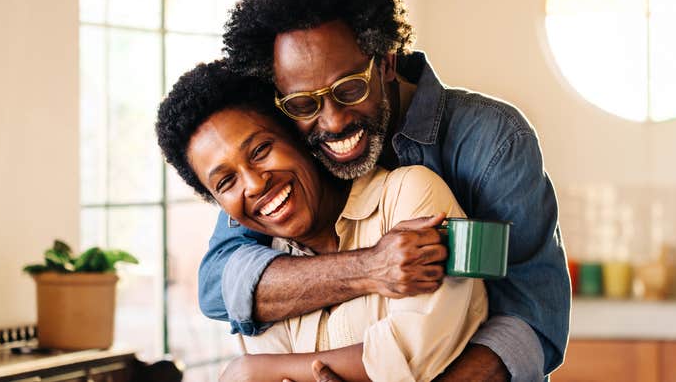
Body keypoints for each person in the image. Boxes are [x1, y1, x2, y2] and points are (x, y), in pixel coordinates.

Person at [202, 0, 571, 380]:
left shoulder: (491, 140)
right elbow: (218, 284)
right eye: (303, 103)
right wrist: (369, 267)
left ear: (387, 61)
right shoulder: (294, 149)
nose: (332, 122)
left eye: (349, 89)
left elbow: (531, 316)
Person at [155, 60, 488, 381]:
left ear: (296, 134)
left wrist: (262, 370)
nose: (254, 184)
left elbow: (409, 356)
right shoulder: (266, 281)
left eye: (260, 150)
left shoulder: (412, 193)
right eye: (226, 182)